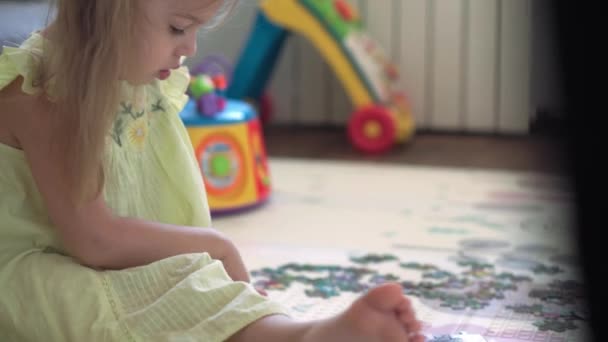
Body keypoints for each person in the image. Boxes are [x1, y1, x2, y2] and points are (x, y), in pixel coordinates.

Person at [0, 0, 423, 341]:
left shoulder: (131, 74)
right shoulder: (43, 93)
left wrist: (203, 258)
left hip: (107, 254)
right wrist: (217, 246)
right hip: (30, 272)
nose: (190, 49)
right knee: (127, 297)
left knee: (181, 279)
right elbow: (93, 240)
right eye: (178, 27)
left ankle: (295, 333)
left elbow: (139, 226)